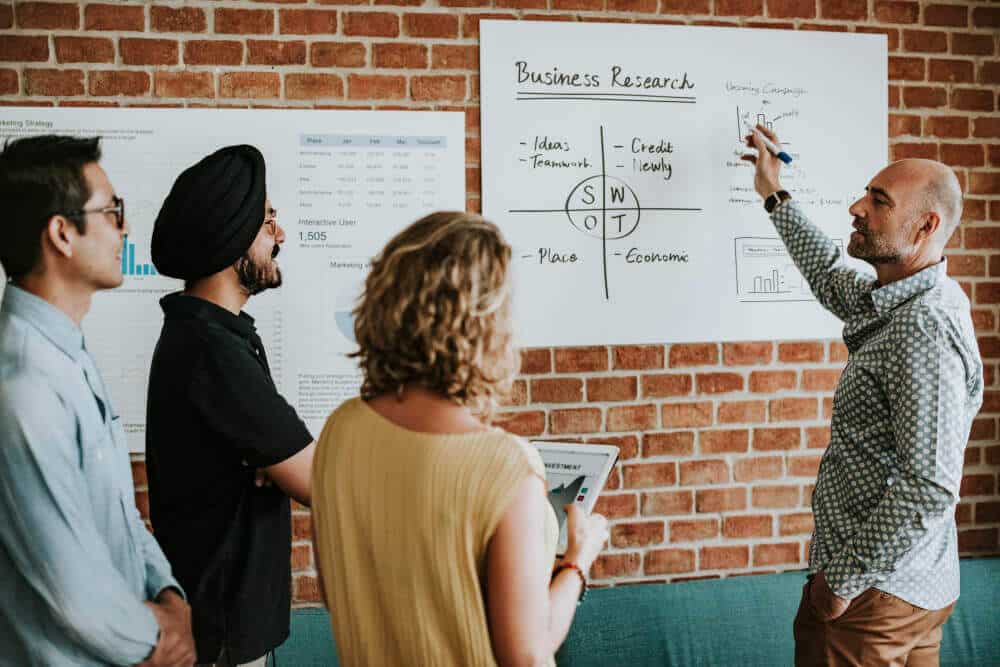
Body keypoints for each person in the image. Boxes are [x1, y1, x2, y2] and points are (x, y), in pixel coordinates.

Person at [310, 211, 609, 667]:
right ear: (487, 326)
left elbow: (343, 593)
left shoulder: (340, 429)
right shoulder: (506, 469)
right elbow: (527, 657)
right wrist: (576, 563)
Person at [744, 126, 983, 666]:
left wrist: (841, 583)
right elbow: (831, 278)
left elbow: (929, 485)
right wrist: (773, 193)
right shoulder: (901, 298)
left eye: (878, 201)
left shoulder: (923, 328)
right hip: (911, 587)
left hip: (874, 598)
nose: (857, 207)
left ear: (925, 226)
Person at [0, 135, 195, 666]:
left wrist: (170, 596)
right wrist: (160, 642)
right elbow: (73, 588)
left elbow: (122, 514)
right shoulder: (25, 389)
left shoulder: (70, 354)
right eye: (112, 212)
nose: (124, 228)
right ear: (62, 233)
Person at [145, 145, 316, 667]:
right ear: (230, 235)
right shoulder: (211, 349)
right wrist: (283, 463)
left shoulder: (213, 335)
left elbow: (292, 464)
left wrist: (274, 461)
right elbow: (317, 479)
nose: (280, 236)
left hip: (227, 628)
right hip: (219, 636)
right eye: (268, 223)